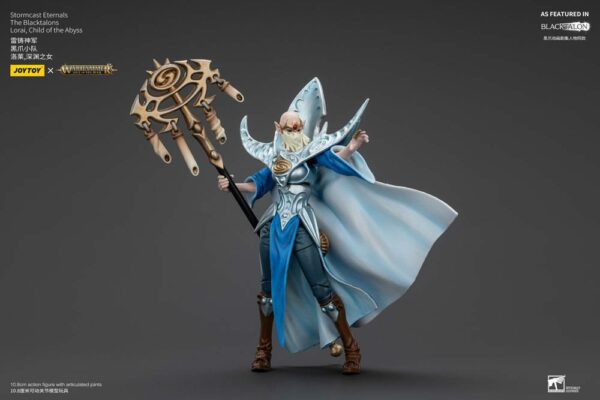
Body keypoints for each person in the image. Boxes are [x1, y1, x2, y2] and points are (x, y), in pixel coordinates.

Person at [217, 78, 457, 375]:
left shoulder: (311, 155)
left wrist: (353, 146)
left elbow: (334, 161)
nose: (293, 132)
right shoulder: (273, 159)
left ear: (302, 128)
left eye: (297, 127)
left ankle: (351, 349)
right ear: (278, 128)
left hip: (302, 225)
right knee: (266, 292)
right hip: (273, 226)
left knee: (321, 288)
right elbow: (257, 185)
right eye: (288, 128)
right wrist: (232, 185)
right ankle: (263, 351)